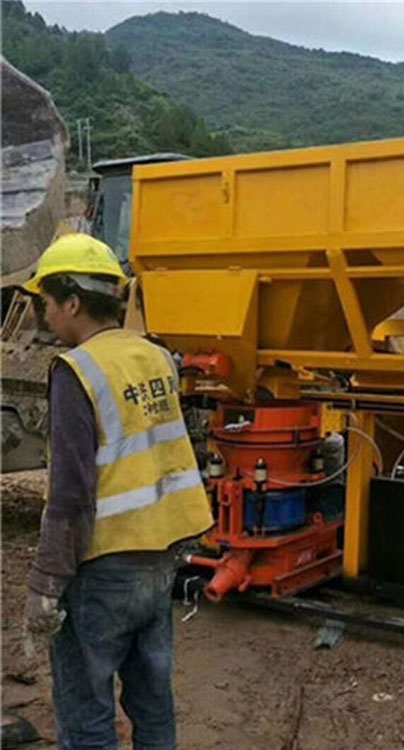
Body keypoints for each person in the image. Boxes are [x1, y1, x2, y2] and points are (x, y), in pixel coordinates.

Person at [21, 233, 213, 750]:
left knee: (86, 713)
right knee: (152, 704)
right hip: (161, 558)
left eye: (46, 303)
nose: (44, 315)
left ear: (72, 302)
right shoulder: (155, 356)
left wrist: (45, 583)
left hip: (103, 566)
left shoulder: (77, 371)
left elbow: (71, 495)